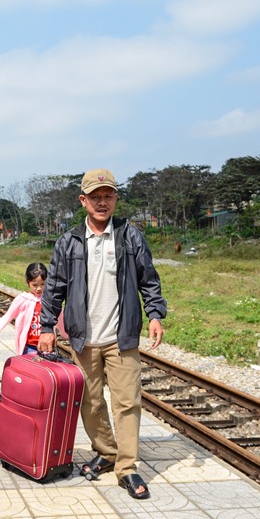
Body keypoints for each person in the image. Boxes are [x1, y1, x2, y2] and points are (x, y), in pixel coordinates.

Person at [37, 169, 166, 500]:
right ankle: (107, 452)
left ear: (115, 199)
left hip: (121, 338)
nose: (102, 202)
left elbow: (148, 278)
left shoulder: (129, 237)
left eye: (108, 196)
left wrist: (154, 314)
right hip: (83, 339)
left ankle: (127, 467)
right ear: (83, 201)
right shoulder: (69, 242)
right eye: (95, 197)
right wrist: (47, 327)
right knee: (90, 404)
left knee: (127, 403)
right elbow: (54, 288)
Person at [0, 262, 48, 355]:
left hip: (47, 345)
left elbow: (59, 316)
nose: (39, 288)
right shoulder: (23, 299)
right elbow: (7, 316)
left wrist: (65, 334)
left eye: (42, 284)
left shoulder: (49, 299)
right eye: (35, 285)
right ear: (28, 283)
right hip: (29, 346)